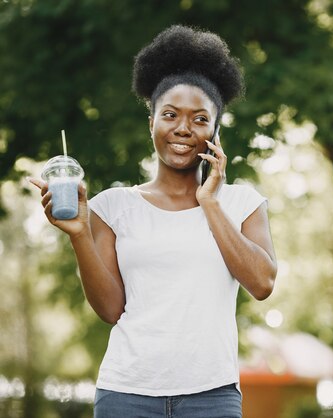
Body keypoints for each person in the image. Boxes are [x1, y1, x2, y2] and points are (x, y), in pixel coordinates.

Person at [29, 24, 277, 418]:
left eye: (199, 119)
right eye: (170, 115)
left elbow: (262, 283)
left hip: (212, 396)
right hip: (126, 393)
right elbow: (111, 310)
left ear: (215, 131)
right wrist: (79, 234)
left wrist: (209, 201)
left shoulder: (241, 203)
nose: (183, 128)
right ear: (151, 123)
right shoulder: (112, 206)